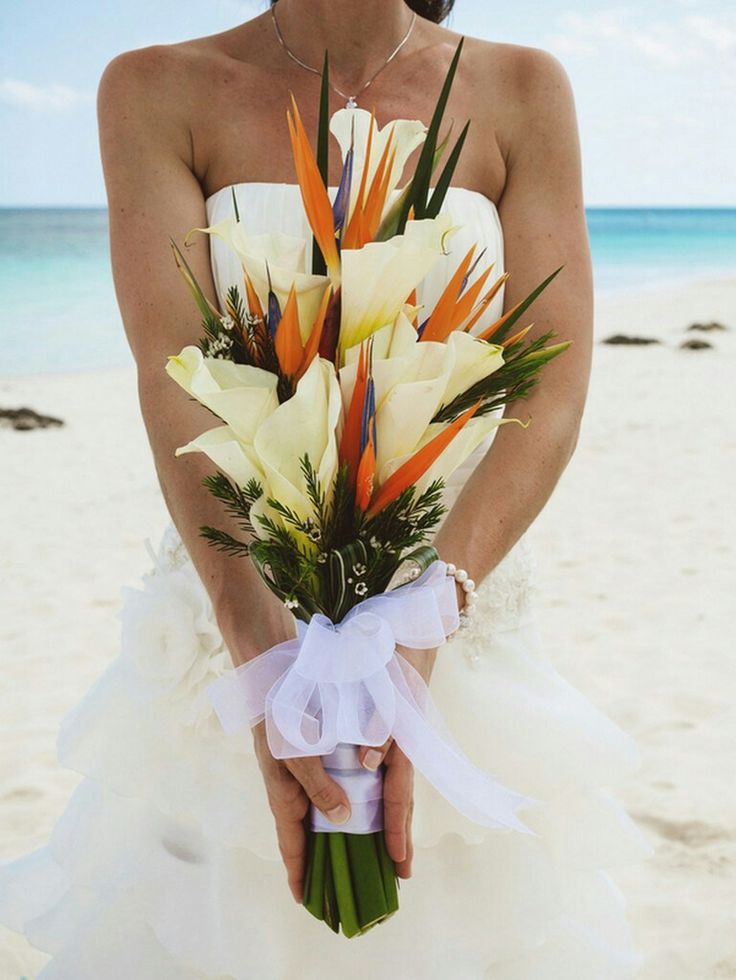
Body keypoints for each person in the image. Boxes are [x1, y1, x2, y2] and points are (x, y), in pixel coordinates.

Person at [0, 1, 651, 975]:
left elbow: (550, 385)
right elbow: (173, 373)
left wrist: (420, 621)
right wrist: (265, 663)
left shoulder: (520, 89)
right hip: (241, 626)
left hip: (455, 623)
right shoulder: (153, 87)